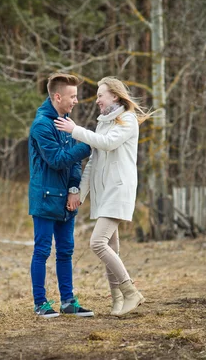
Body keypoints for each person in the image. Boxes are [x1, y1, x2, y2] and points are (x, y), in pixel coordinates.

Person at [54, 76, 152, 316]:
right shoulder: (103, 123)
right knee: (110, 247)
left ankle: (131, 292)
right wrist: (79, 193)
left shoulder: (128, 120)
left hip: (118, 191)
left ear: (114, 96)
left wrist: (75, 130)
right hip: (104, 193)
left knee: (97, 243)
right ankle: (118, 302)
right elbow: (93, 163)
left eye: (100, 95)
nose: (96, 100)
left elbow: (108, 144)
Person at [28, 72, 94, 318]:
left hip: (66, 200)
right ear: (57, 96)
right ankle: (40, 303)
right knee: (42, 251)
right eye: (72, 96)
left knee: (66, 250)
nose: (76, 100)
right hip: (44, 199)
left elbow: (73, 165)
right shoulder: (42, 125)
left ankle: (68, 302)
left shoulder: (66, 122)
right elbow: (56, 160)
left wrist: (74, 190)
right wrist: (87, 143)